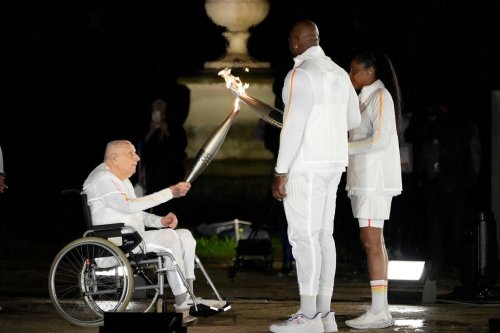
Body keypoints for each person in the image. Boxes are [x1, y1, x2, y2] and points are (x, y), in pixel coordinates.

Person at [270, 20, 361, 333]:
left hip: (306, 166)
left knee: (303, 237)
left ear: (296, 41)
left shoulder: (301, 73)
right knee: (324, 235)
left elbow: (293, 127)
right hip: (334, 163)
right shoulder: (338, 72)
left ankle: (308, 317)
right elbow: (354, 118)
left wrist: (281, 171)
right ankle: (323, 314)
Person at [82, 140, 223, 325]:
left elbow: (136, 212)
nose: (137, 157)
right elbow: (128, 205)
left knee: (185, 235)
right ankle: (182, 304)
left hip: (131, 238)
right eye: (131, 153)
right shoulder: (102, 179)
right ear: (114, 158)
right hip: (114, 242)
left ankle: (189, 295)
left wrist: (160, 221)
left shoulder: (121, 181)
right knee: (168, 237)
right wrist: (170, 192)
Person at [344, 51, 403, 329]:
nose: (350, 75)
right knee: (372, 241)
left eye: (355, 70)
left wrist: (343, 148)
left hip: (374, 181)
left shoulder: (381, 97)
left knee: (371, 241)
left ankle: (379, 310)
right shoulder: (364, 98)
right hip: (363, 180)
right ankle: (381, 309)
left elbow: (380, 140)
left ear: (371, 72)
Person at [141, 98, 188, 217]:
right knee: (154, 194)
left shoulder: (174, 124)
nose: (158, 108)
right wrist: (151, 131)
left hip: (171, 169)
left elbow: (180, 146)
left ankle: (173, 217)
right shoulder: (146, 124)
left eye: (161, 105)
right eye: (156, 105)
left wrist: (166, 131)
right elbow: (141, 146)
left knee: (173, 196)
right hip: (153, 170)